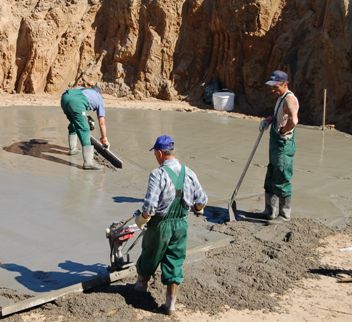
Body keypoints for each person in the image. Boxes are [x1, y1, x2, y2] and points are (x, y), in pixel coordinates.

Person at [133, 135, 208, 315]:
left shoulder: (157, 174)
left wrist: (141, 220)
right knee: (175, 261)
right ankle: (170, 305)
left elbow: (150, 206)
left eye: (155, 154)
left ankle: (139, 292)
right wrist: (198, 208)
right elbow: (201, 200)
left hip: (161, 225)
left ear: (159, 153)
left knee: (149, 256)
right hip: (181, 224)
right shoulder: (189, 172)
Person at [259, 70, 299, 221]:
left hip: (283, 144)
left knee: (282, 176)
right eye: (272, 86)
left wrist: (283, 130)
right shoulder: (281, 97)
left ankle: (284, 214)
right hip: (275, 143)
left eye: (276, 86)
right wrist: (269, 120)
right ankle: (269, 211)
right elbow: (280, 116)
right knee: (271, 175)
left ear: (285, 84)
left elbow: (294, 120)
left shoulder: (289, 99)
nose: (273, 89)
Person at [60, 85, 110, 170]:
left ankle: (73, 149)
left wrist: (85, 117)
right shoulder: (99, 98)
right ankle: (88, 163)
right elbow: (102, 122)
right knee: (85, 129)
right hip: (76, 102)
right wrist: (104, 138)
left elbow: (75, 93)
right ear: (99, 93)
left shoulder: (84, 89)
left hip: (64, 98)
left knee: (74, 123)